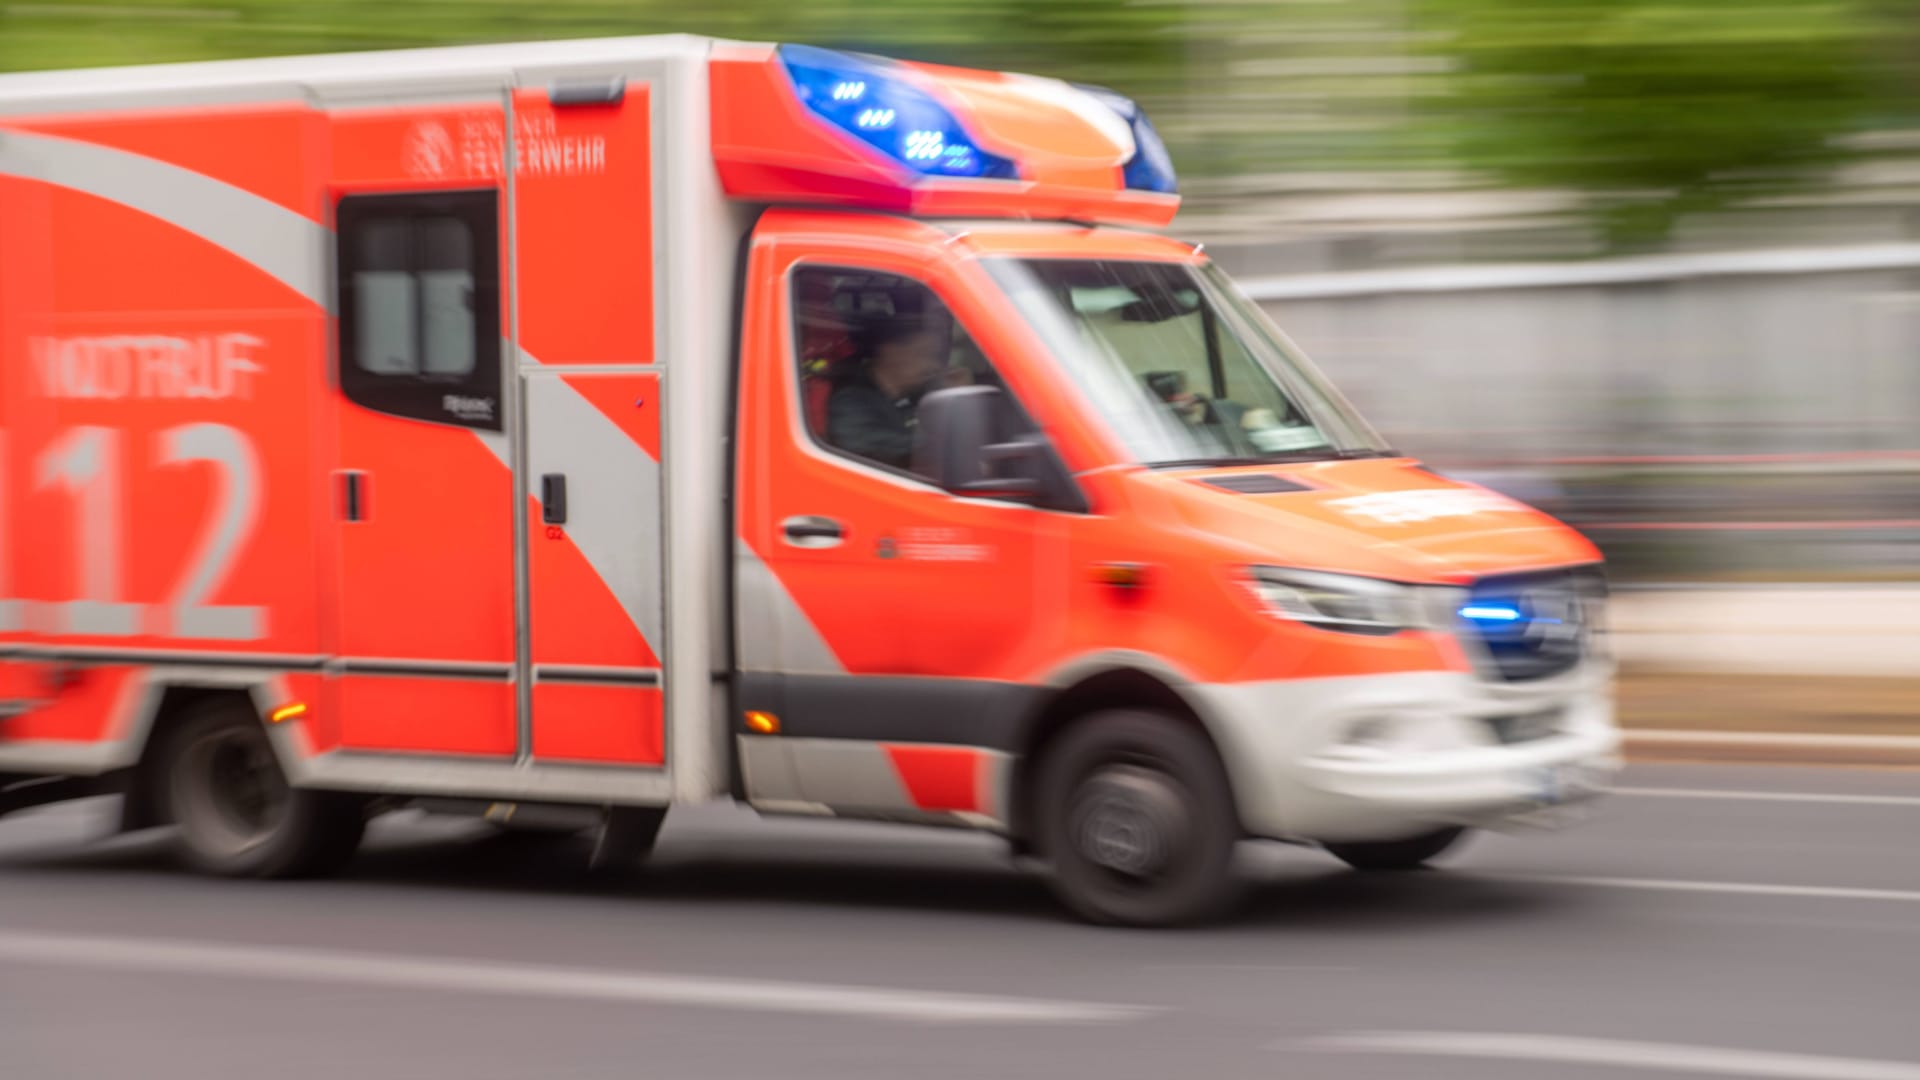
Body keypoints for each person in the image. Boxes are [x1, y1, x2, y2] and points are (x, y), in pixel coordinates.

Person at [826, 316, 946, 470]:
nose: (933, 366)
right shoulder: (851, 399)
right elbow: (864, 444)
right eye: (923, 354)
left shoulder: (917, 393)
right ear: (891, 352)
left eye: (935, 357)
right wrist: (941, 445)